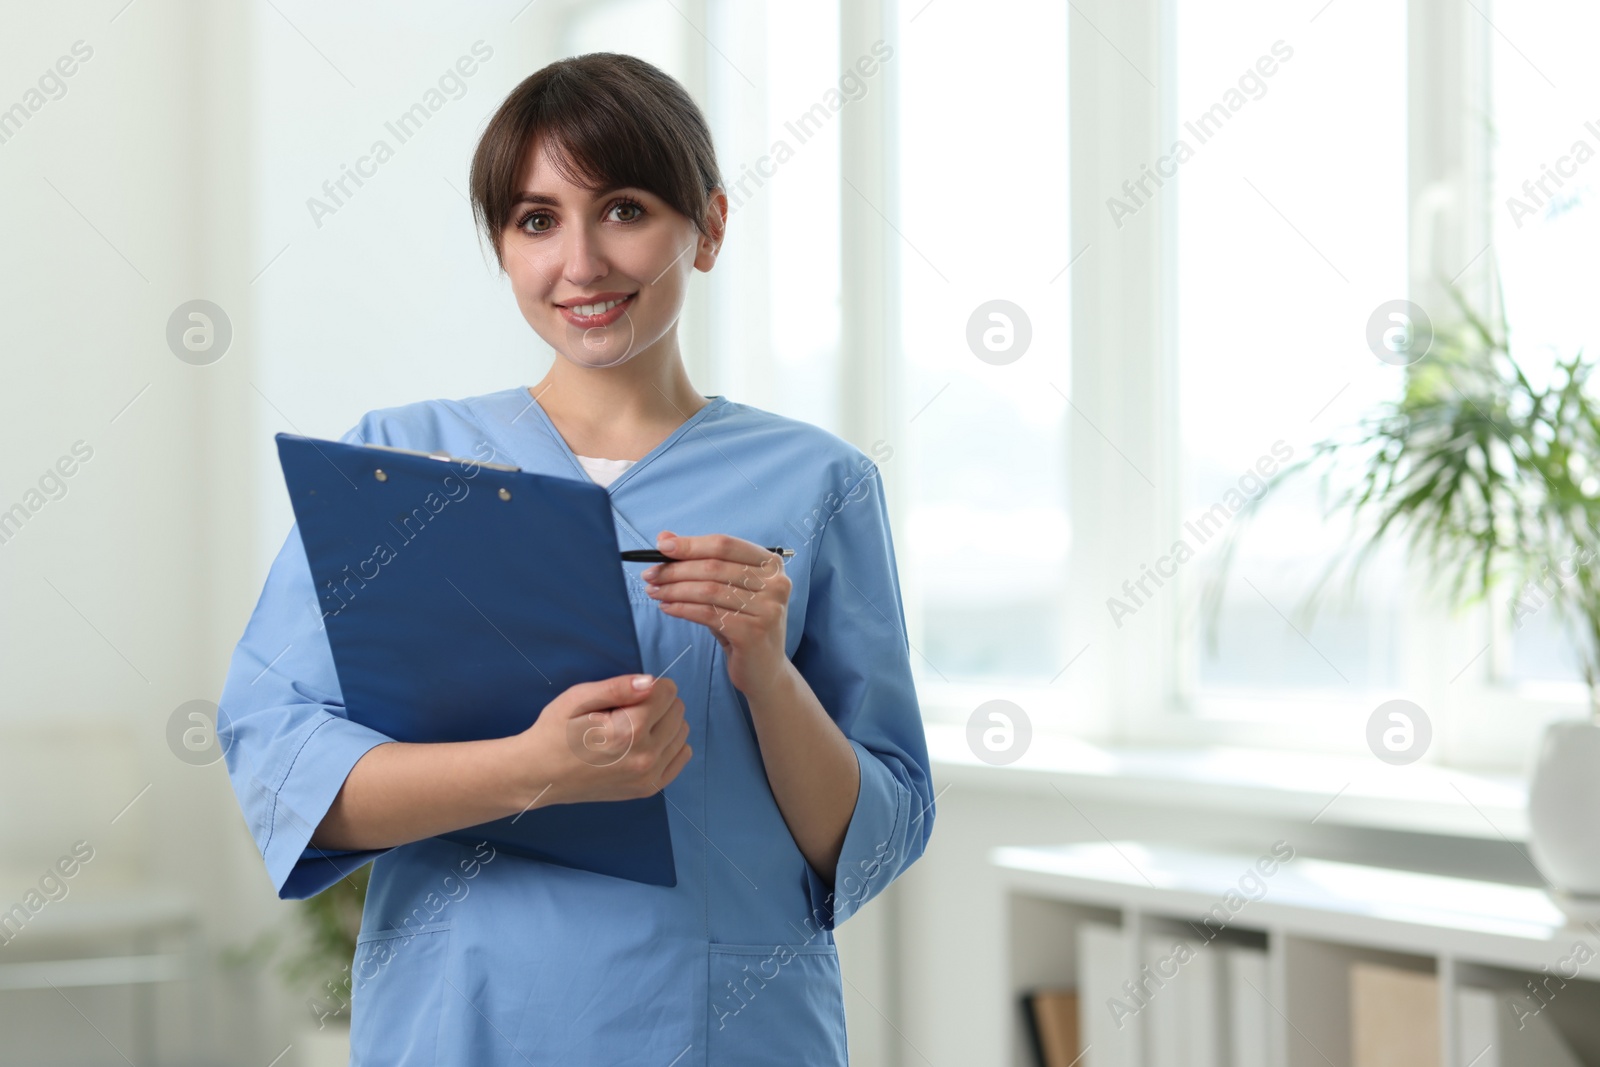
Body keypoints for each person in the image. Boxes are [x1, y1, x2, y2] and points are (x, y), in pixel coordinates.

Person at [218, 52, 934, 1065]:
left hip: (724, 1022)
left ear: (711, 226)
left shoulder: (818, 483)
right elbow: (281, 758)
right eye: (536, 219)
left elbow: (866, 836)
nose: (581, 263)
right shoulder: (400, 461)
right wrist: (535, 769)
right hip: (462, 1015)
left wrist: (765, 671)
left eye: (625, 208)